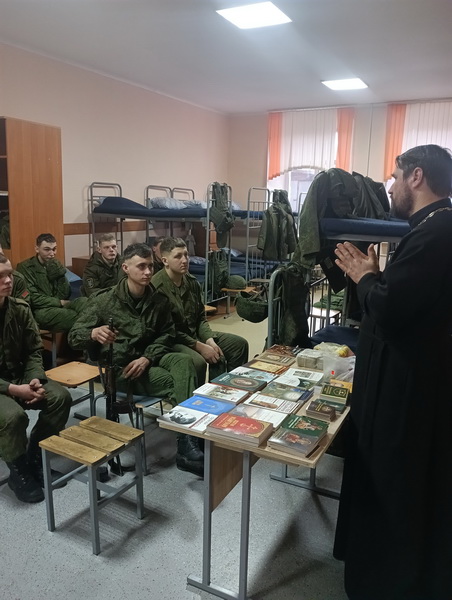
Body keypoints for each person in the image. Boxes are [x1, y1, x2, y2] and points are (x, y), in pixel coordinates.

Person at [333, 144, 452, 600]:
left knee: (391, 480)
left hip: (403, 389)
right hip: (414, 377)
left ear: (416, 176)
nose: (391, 187)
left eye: (395, 177)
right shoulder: (432, 228)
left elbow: (390, 309)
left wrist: (366, 277)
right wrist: (377, 276)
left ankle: (380, 582)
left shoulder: (435, 233)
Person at [68, 242, 203, 476]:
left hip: (149, 360)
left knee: (185, 362)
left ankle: (186, 443)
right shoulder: (105, 300)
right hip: (123, 371)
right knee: (181, 383)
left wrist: (148, 357)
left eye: (150, 266)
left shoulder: (158, 299)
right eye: (141, 266)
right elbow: (73, 336)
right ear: (126, 268)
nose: (148, 272)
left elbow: (167, 333)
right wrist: (93, 333)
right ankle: (188, 442)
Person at [0, 253, 72, 503]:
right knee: (13, 417)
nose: (8, 281)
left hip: (19, 376)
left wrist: (34, 380)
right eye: (1, 277)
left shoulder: (19, 309)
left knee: (60, 398)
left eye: (9, 275)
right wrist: (13, 389)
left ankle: (35, 458)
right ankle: (18, 470)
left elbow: (33, 350)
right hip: (3, 386)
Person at [151, 237, 249, 384]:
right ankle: (199, 396)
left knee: (238, 345)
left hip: (193, 334)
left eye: (186, 255)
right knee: (197, 362)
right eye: (178, 256)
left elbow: (200, 318)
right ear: (165, 261)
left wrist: (210, 341)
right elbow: (168, 331)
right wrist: (199, 346)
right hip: (171, 340)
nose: (184, 260)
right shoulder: (156, 288)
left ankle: (229, 388)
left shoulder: (192, 283)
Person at [16, 233, 87, 331]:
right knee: (73, 316)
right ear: (37, 249)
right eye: (47, 249)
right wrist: (59, 302)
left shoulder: (55, 264)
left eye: (54, 249)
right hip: (39, 310)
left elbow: (65, 294)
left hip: (59, 305)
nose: (52, 253)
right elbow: (32, 298)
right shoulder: (26, 267)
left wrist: (61, 275)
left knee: (85, 303)